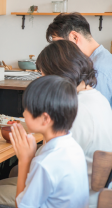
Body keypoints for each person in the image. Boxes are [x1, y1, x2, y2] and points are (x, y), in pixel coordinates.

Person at [0, 75, 89, 208]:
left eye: (27, 110)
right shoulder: (73, 147)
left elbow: (22, 206)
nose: (23, 114)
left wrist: (25, 160)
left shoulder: (45, 163)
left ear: (45, 119)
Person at [35, 40, 112, 208]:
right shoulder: (98, 98)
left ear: (59, 74)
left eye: (43, 74)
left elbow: (46, 166)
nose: (42, 81)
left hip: (71, 199)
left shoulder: (76, 110)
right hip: (90, 191)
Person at [46, 12, 112, 107]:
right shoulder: (99, 57)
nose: (59, 50)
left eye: (60, 44)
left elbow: (93, 113)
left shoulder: (98, 69)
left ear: (75, 37)